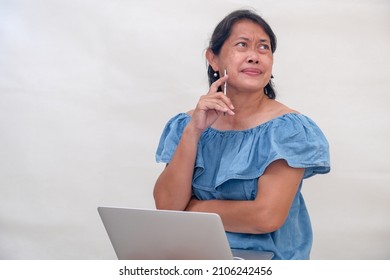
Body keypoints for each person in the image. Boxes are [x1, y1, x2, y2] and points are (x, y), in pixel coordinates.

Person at [153, 9, 330, 260]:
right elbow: (167, 207)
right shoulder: (187, 124)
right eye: (242, 45)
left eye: (263, 48)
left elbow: (265, 217)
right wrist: (194, 132)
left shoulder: (288, 130)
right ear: (213, 59)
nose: (254, 56)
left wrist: (190, 209)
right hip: (196, 260)